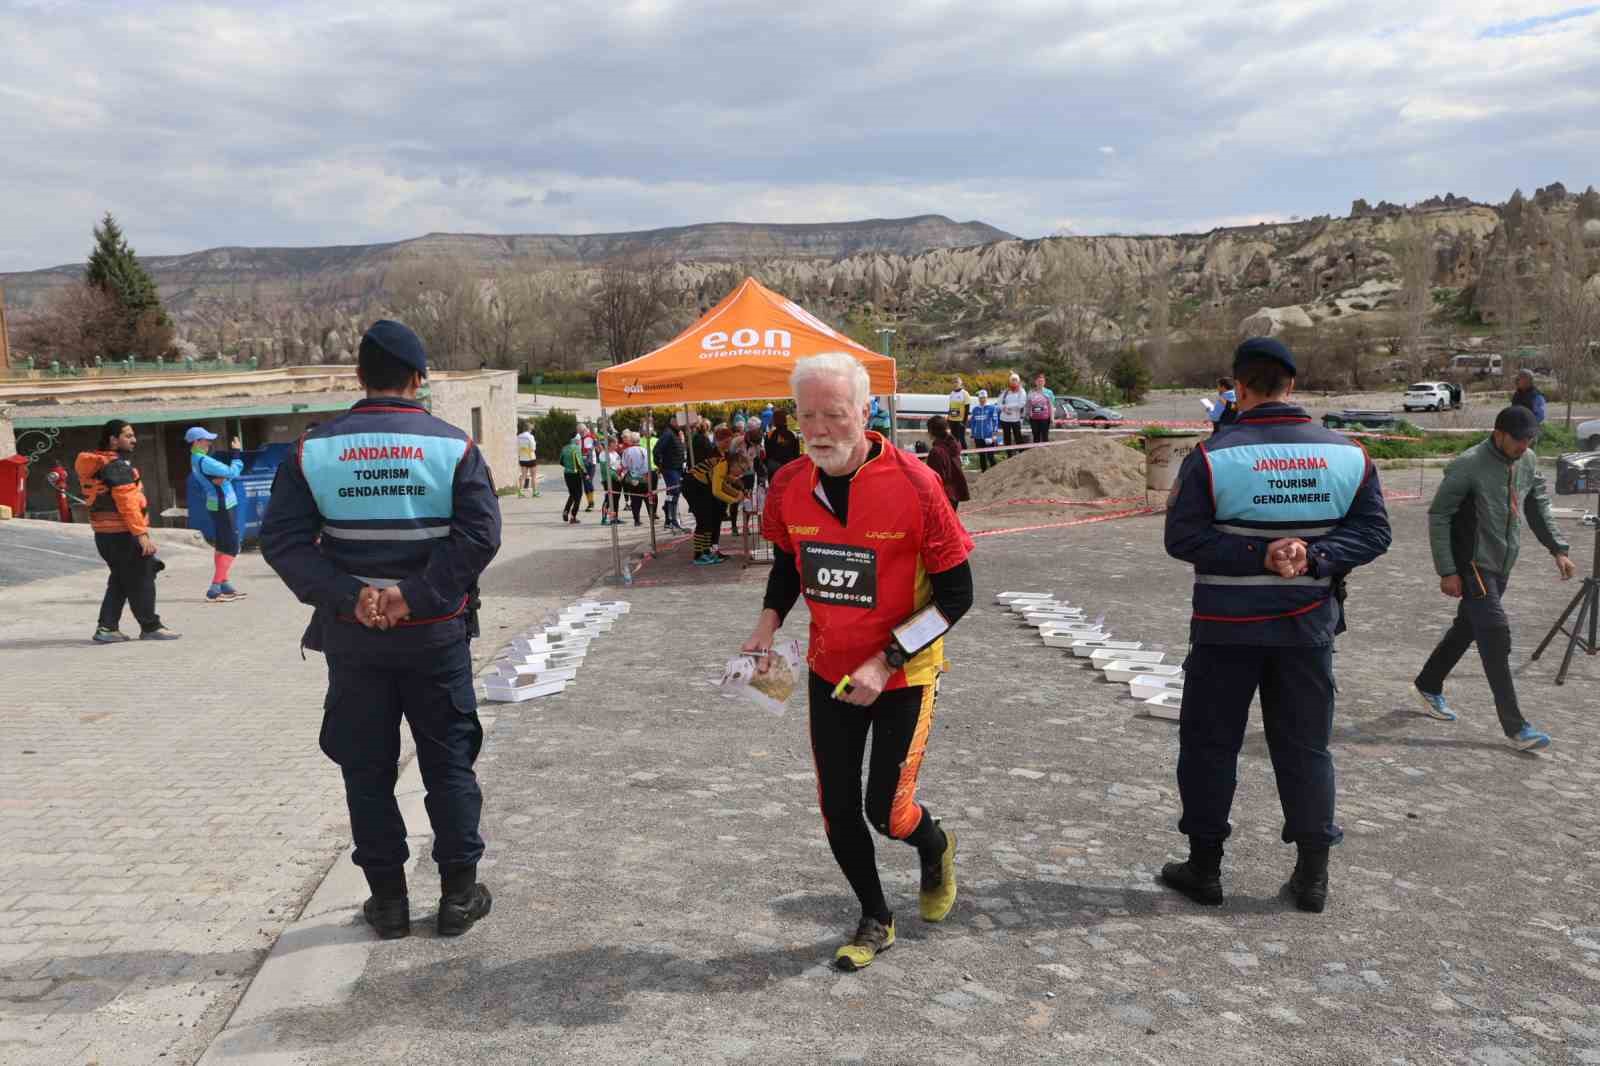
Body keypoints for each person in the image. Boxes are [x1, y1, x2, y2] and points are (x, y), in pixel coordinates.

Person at [260, 319, 501, 941]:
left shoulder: (313, 450)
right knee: (449, 765)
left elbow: (283, 540)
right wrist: (413, 596)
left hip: (354, 640)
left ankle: (389, 904)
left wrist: (352, 596)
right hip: (436, 638)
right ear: (418, 379)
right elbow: (480, 535)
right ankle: (457, 897)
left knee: (366, 771)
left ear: (359, 377)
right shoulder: (454, 448)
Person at [743, 352, 973, 972]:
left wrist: (885, 661)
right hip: (828, 669)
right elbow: (792, 564)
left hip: (902, 672)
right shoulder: (791, 483)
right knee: (837, 806)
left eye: (834, 414)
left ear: (865, 413)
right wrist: (768, 623)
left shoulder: (917, 485)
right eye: (807, 414)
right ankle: (876, 915)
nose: (818, 428)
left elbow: (958, 596)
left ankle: (936, 843)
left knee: (887, 812)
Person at [1159, 337, 1392, 915]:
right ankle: (1313, 876)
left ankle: (1205, 869)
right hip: (1306, 630)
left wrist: (1254, 556)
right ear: (1292, 385)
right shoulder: (1348, 455)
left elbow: (1182, 538)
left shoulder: (1212, 457)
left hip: (1225, 630)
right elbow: (1374, 532)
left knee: (1211, 746)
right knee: (1306, 749)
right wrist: (1315, 556)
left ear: (1239, 388)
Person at [1413, 405, 1576, 751]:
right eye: (1519, 440)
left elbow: (1537, 504)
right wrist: (1447, 571)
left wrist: (1558, 549)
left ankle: (1428, 683)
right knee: (1496, 634)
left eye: (1530, 440)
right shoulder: (1468, 465)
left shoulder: (1527, 460)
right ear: (1499, 433)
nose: (1524, 446)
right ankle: (1516, 728)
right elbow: (1439, 515)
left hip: (1502, 564)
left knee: (1468, 628)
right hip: (1473, 565)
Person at [77, 420, 180, 643]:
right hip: (123, 534)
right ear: (113, 439)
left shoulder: (96, 463)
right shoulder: (117, 467)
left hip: (104, 535)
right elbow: (128, 504)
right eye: (128, 435)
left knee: (121, 580)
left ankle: (107, 628)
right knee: (142, 577)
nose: (133, 439)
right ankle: (151, 627)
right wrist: (141, 536)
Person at [186, 426, 247, 603]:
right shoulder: (205, 461)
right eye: (206, 439)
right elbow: (233, 472)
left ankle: (224, 584)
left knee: (222, 544)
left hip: (215, 503)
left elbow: (224, 475)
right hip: (224, 504)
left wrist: (224, 476)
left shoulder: (196, 458)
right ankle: (214, 588)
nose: (209, 443)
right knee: (232, 546)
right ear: (196, 442)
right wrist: (236, 454)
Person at [683, 430, 746, 564]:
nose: (739, 475)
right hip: (693, 486)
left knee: (708, 521)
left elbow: (722, 484)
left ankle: (706, 552)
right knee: (704, 520)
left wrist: (736, 493)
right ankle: (699, 555)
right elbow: (717, 491)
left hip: (700, 486)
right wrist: (734, 500)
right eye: (740, 470)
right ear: (734, 465)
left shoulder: (725, 462)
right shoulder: (722, 464)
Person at [924, 415, 970, 512]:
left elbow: (935, 478)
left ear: (931, 431)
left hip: (944, 495)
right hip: (955, 492)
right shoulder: (954, 445)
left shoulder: (936, 451)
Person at [655, 415, 687, 531]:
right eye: (679, 422)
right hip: (670, 468)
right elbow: (657, 450)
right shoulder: (668, 434)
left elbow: (679, 449)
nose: (681, 424)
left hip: (677, 468)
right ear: (673, 422)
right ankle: (672, 520)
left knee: (672, 493)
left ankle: (668, 517)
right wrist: (661, 466)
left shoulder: (677, 433)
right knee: (674, 492)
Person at [622, 430, 653, 526]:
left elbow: (624, 465)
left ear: (631, 440)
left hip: (633, 478)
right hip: (644, 477)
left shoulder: (626, 451)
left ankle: (636, 520)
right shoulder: (645, 450)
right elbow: (648, 465)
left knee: (635, 500)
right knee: (648, 499)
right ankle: (651, 518)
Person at [764, 408, 801, 480]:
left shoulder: (769, 435)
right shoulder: (793, 434)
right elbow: (796, 453)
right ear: (785, 420)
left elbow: (768, 453)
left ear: (774, 420)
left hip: (774, 468)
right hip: (789, 467)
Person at [968, 389, 1000, 472]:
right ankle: (984, 473)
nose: (982, 399)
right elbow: (973, 423)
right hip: (978, 437)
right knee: (981, 456)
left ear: (987, 398)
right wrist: (972, 435)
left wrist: (994, 435)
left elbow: (995, 421)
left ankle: (995, 473)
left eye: (984, 398)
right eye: (980, 398)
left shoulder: (992, 408)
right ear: (978, 399)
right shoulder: (975, 409)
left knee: (990, 456)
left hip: (989, 436)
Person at [997, 373, 1027, 457]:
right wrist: (1004, 409)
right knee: (1007, 438)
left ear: (1018, 381)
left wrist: (1007, 407)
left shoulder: (1022, 391)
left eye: (1015, 380)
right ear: (1010, 381)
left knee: (1018, 437)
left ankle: (1022, 454)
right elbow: (998, 403)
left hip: (1015, 419)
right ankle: (1009, 455)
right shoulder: (1006, 391)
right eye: (1012, 380)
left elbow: (1021, 404)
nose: (1014, 382)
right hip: (1004, 419)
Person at [559, 433, 585, 524]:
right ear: (576, 440)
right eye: (579, 440)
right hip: (575, 474)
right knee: (578, 495)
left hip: (567, 473)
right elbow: (580, 463)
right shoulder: (577, 448)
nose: (579, 441)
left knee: (572, 494)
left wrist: (568, 466)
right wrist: (585, 473)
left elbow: (561, 461)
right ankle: (573, 516)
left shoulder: (564, 448)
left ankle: (566, 511)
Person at [598, 437, 624, 525]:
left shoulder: (615, 453)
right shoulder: (603, 454)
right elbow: (606, 470)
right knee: (608, 499)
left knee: (616, 499)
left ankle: (614, 518)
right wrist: (617, 477)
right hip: (608, 480)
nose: (617, 444)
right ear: (610, 444)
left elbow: (619, 465)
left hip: (617, 479)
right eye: (615, 443)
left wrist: (622, 472)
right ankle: (604, 519)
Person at [1026, 372, 1055, 444]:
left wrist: (1052, 418)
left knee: (1045, 436)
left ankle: (1045, 453)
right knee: (1036, 436)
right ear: (1035, 382)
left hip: (1045, 418)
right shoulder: (1031, 392)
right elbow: (1028, 404)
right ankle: (1036, 453)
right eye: (1038, 381)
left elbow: (1051, 406)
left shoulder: (1049, 392)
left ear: (1044, 382)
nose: (1040, 383)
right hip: (1034, 419)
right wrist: (1027, 414)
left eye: (1042, 381)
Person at [516, 421, 540, 497]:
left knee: (523, 476)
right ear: (529, 429)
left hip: (522, 458)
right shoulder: (530, 436)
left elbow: (517, 446)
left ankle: (520, 492)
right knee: (533, 476)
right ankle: (535, 492)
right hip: (531, 457)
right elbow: (533, 447)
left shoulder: (519, 436)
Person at [946, 377, 971, 449]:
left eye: (957, 382)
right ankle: (956, 456)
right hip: (952, 420)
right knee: (954, 439)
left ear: (961, 383)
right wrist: (948, 418)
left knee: (961, 439)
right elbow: (950, 407)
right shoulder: (952, 393)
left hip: (960, 421)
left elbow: (967, 408)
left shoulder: (965, 393)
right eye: (954, 382)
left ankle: (965, 457)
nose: (955, 384)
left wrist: (964, 421)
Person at [580, 424, 598, 512]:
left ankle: (591, 503)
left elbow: (598, 446)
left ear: (586, 430)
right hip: (582, 465)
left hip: (591, 464)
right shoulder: (578, 439)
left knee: (588, 481)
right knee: (585, 484)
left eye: (582, 431)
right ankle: (590, 502)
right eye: (579, 432)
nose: (581, 433)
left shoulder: (591, 437)